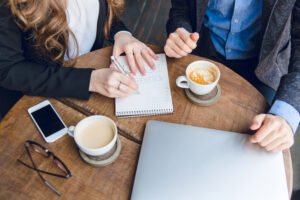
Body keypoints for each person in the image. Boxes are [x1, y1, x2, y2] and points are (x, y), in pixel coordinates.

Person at [164, 0, 300, 152]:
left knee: (255, 145)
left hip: (265, 66)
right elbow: (181, 7)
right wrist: (180, 29)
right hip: (201, 52)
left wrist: (287, 114)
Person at [0, 0, 157, 118]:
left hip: (95, 78)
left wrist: (121, 34)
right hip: (39, 95)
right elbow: (8, 69)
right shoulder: (8, 5)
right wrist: (90, 81)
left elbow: (99, 14)